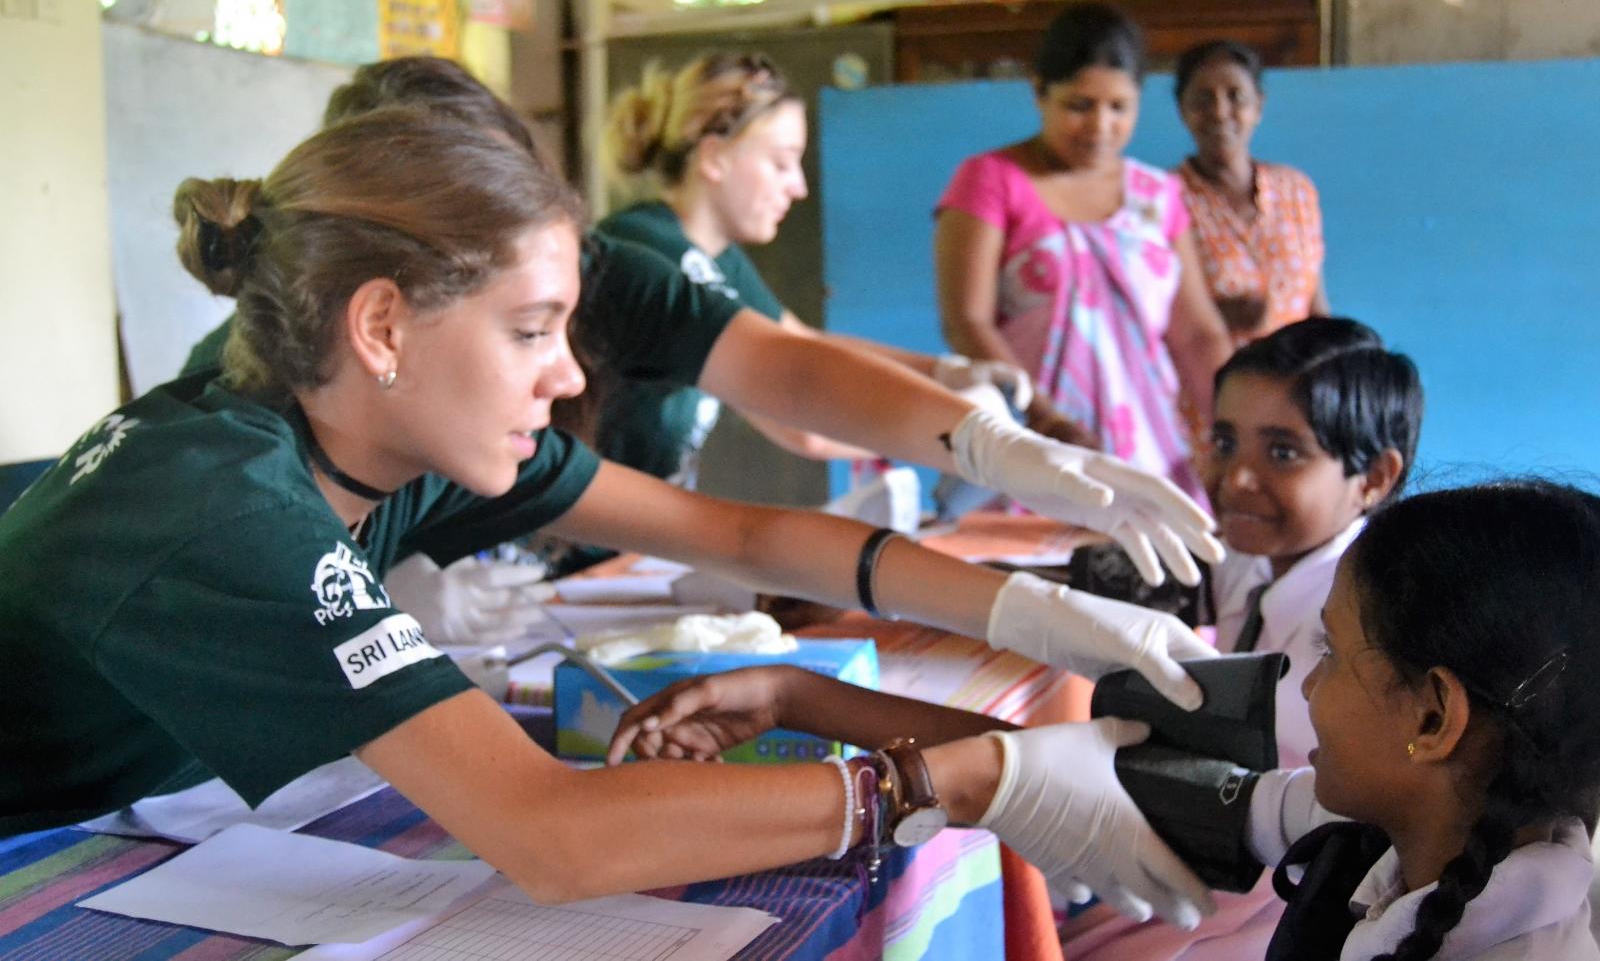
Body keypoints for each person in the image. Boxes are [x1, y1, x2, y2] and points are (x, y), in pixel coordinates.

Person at [0, 109, 1219, 923]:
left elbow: (737, 534)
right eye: (531, 331)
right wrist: (952, 778)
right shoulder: (221, 500)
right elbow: (552, 834)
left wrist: (1032, 610)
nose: (571, 376)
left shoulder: (390, 440)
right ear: (381, 328)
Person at [185, 56, 1222, 595]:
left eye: (558, 330)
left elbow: (787, 399)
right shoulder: (244, 425)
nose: (558, 377)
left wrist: (994, 442)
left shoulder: (546, 428)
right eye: (528, 331)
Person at [634, 480, 1600, 959]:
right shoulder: (1386, 830)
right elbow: (1093, 778)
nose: (1304, 687)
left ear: (1432, 720)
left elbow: (1018, 775)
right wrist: (794, 696)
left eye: (1337, 659)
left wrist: (937, 785)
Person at [1060, 316, 1424, 960]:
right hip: (1217, 842)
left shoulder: (1364, 627)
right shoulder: (1252, 559)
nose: (1238, 479)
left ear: (1375, 478)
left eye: (1282, 453)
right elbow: (1091, 580)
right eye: (1224, 442)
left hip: (1283, 884)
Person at [601, 51, 1099, 486]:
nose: (798, 186)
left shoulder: (712, 257)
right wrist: (959, 434)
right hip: (576, 553)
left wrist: (944, 373)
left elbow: (804, 347)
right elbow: (803, 415)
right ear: (714, 158)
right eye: (781, 162)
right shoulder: (657, 252)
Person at [1251, 480, 1600, 959]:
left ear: (1433, 719)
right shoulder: (1434, 829)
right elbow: (1270, 806)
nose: (1310, 685)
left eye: (1330, 652)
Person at [934, 2, 1233, 502]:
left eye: (1119, 107)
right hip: (1028, 449)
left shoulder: (1157, 196)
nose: (1100, 126)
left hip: (1149, 453)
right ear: (1039, 92)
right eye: (1079, 105)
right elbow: (967, 320)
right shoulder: (991, 181)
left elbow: (1197, 334)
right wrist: (1042, 419)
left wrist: (1235, 438)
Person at [1174, 40, 1329, 347]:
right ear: (1182, 109)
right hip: (1209, 388)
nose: (1219, 112)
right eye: (1203, 99)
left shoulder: (1297, 191)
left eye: (1236, 97)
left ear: (1258, 106)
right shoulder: (1160, 200)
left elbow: (1314, 304)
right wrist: (1216, 314)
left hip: (1294, 387)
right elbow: (1142, 318)